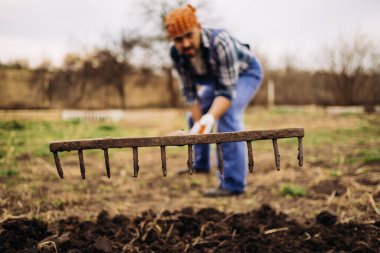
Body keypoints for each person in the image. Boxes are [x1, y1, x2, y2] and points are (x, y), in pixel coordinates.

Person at [164, 4, 263, 197]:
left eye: (188, 35)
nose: (184, 44)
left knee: (228, 115)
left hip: (245, 74)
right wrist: (201, 121)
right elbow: (190, 94)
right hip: (215, 80)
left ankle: (233, 184)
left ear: (198, 28)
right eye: (178, 39)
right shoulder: (176, 54)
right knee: (194, 118)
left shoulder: (220, 42)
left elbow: (226, 92)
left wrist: (210, 118)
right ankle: (200, 164)